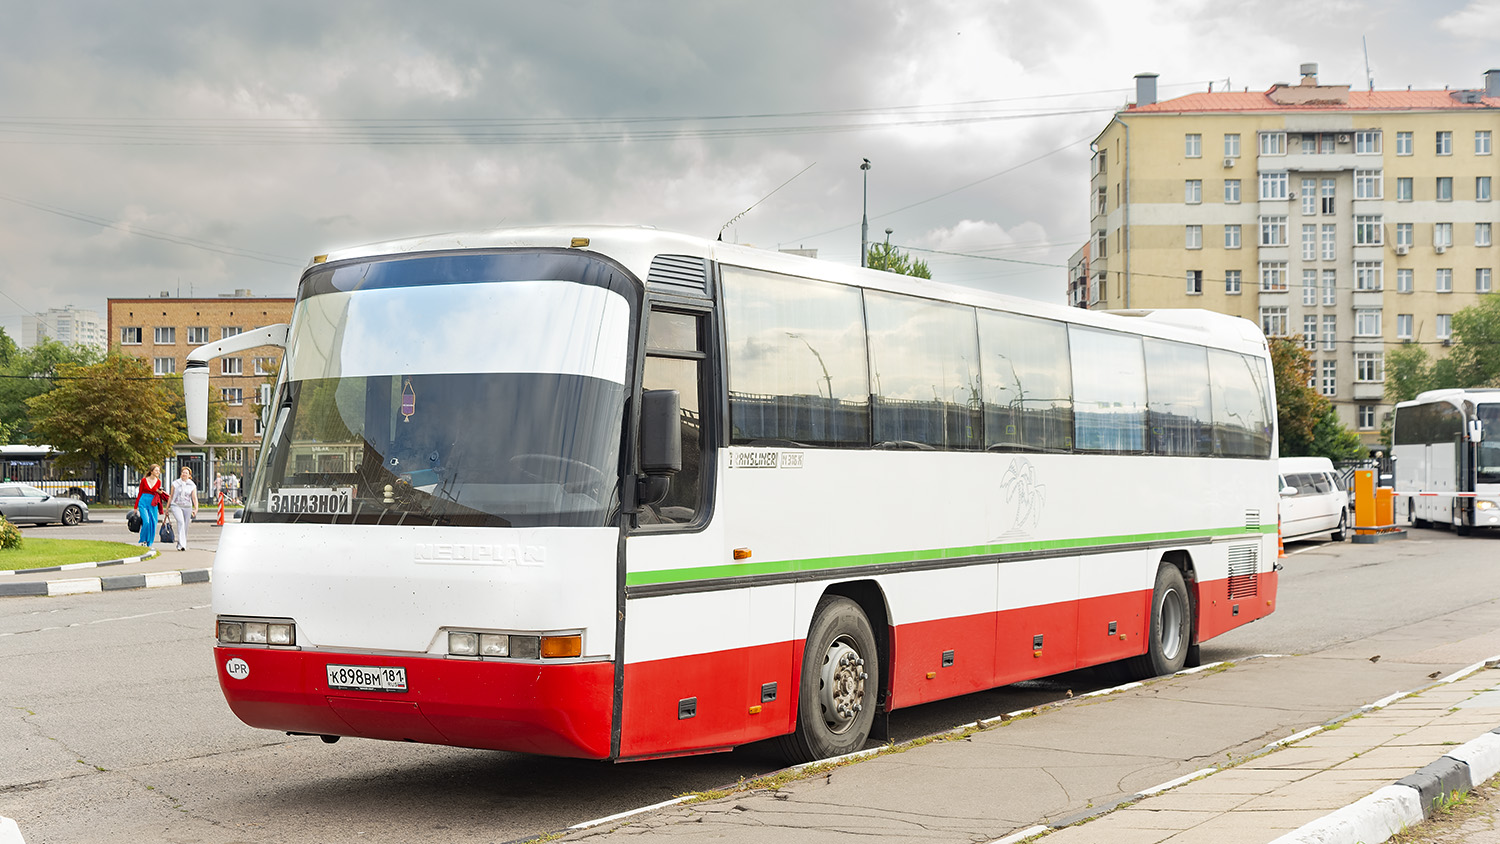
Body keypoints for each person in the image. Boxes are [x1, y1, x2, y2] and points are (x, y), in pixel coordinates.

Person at [168, 467, 199, 551]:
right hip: (176, 505)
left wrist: (196, 508)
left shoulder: (192, 485)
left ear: (189, 475)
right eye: (183, 472)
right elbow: (171, 496)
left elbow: (194, 497)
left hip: (187, 506)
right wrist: (167, 508)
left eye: (186, 473)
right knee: (180, 522)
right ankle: (183, 545)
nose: (184, 474)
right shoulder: (175, 483)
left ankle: (180, 543)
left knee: (185, 526)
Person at [136, 464, 167, 549]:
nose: (158, 472)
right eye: (156, 470)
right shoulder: (143, 480)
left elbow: (158, 492)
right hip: (143, 501)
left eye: (159, 470)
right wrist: (136, 507)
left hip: (153, 503)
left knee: (153, 522)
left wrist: (160, 492)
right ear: (151, 471)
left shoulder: (158, 481)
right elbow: (139, 493)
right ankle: (142, 540)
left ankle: (149, 542)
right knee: (146, 521)